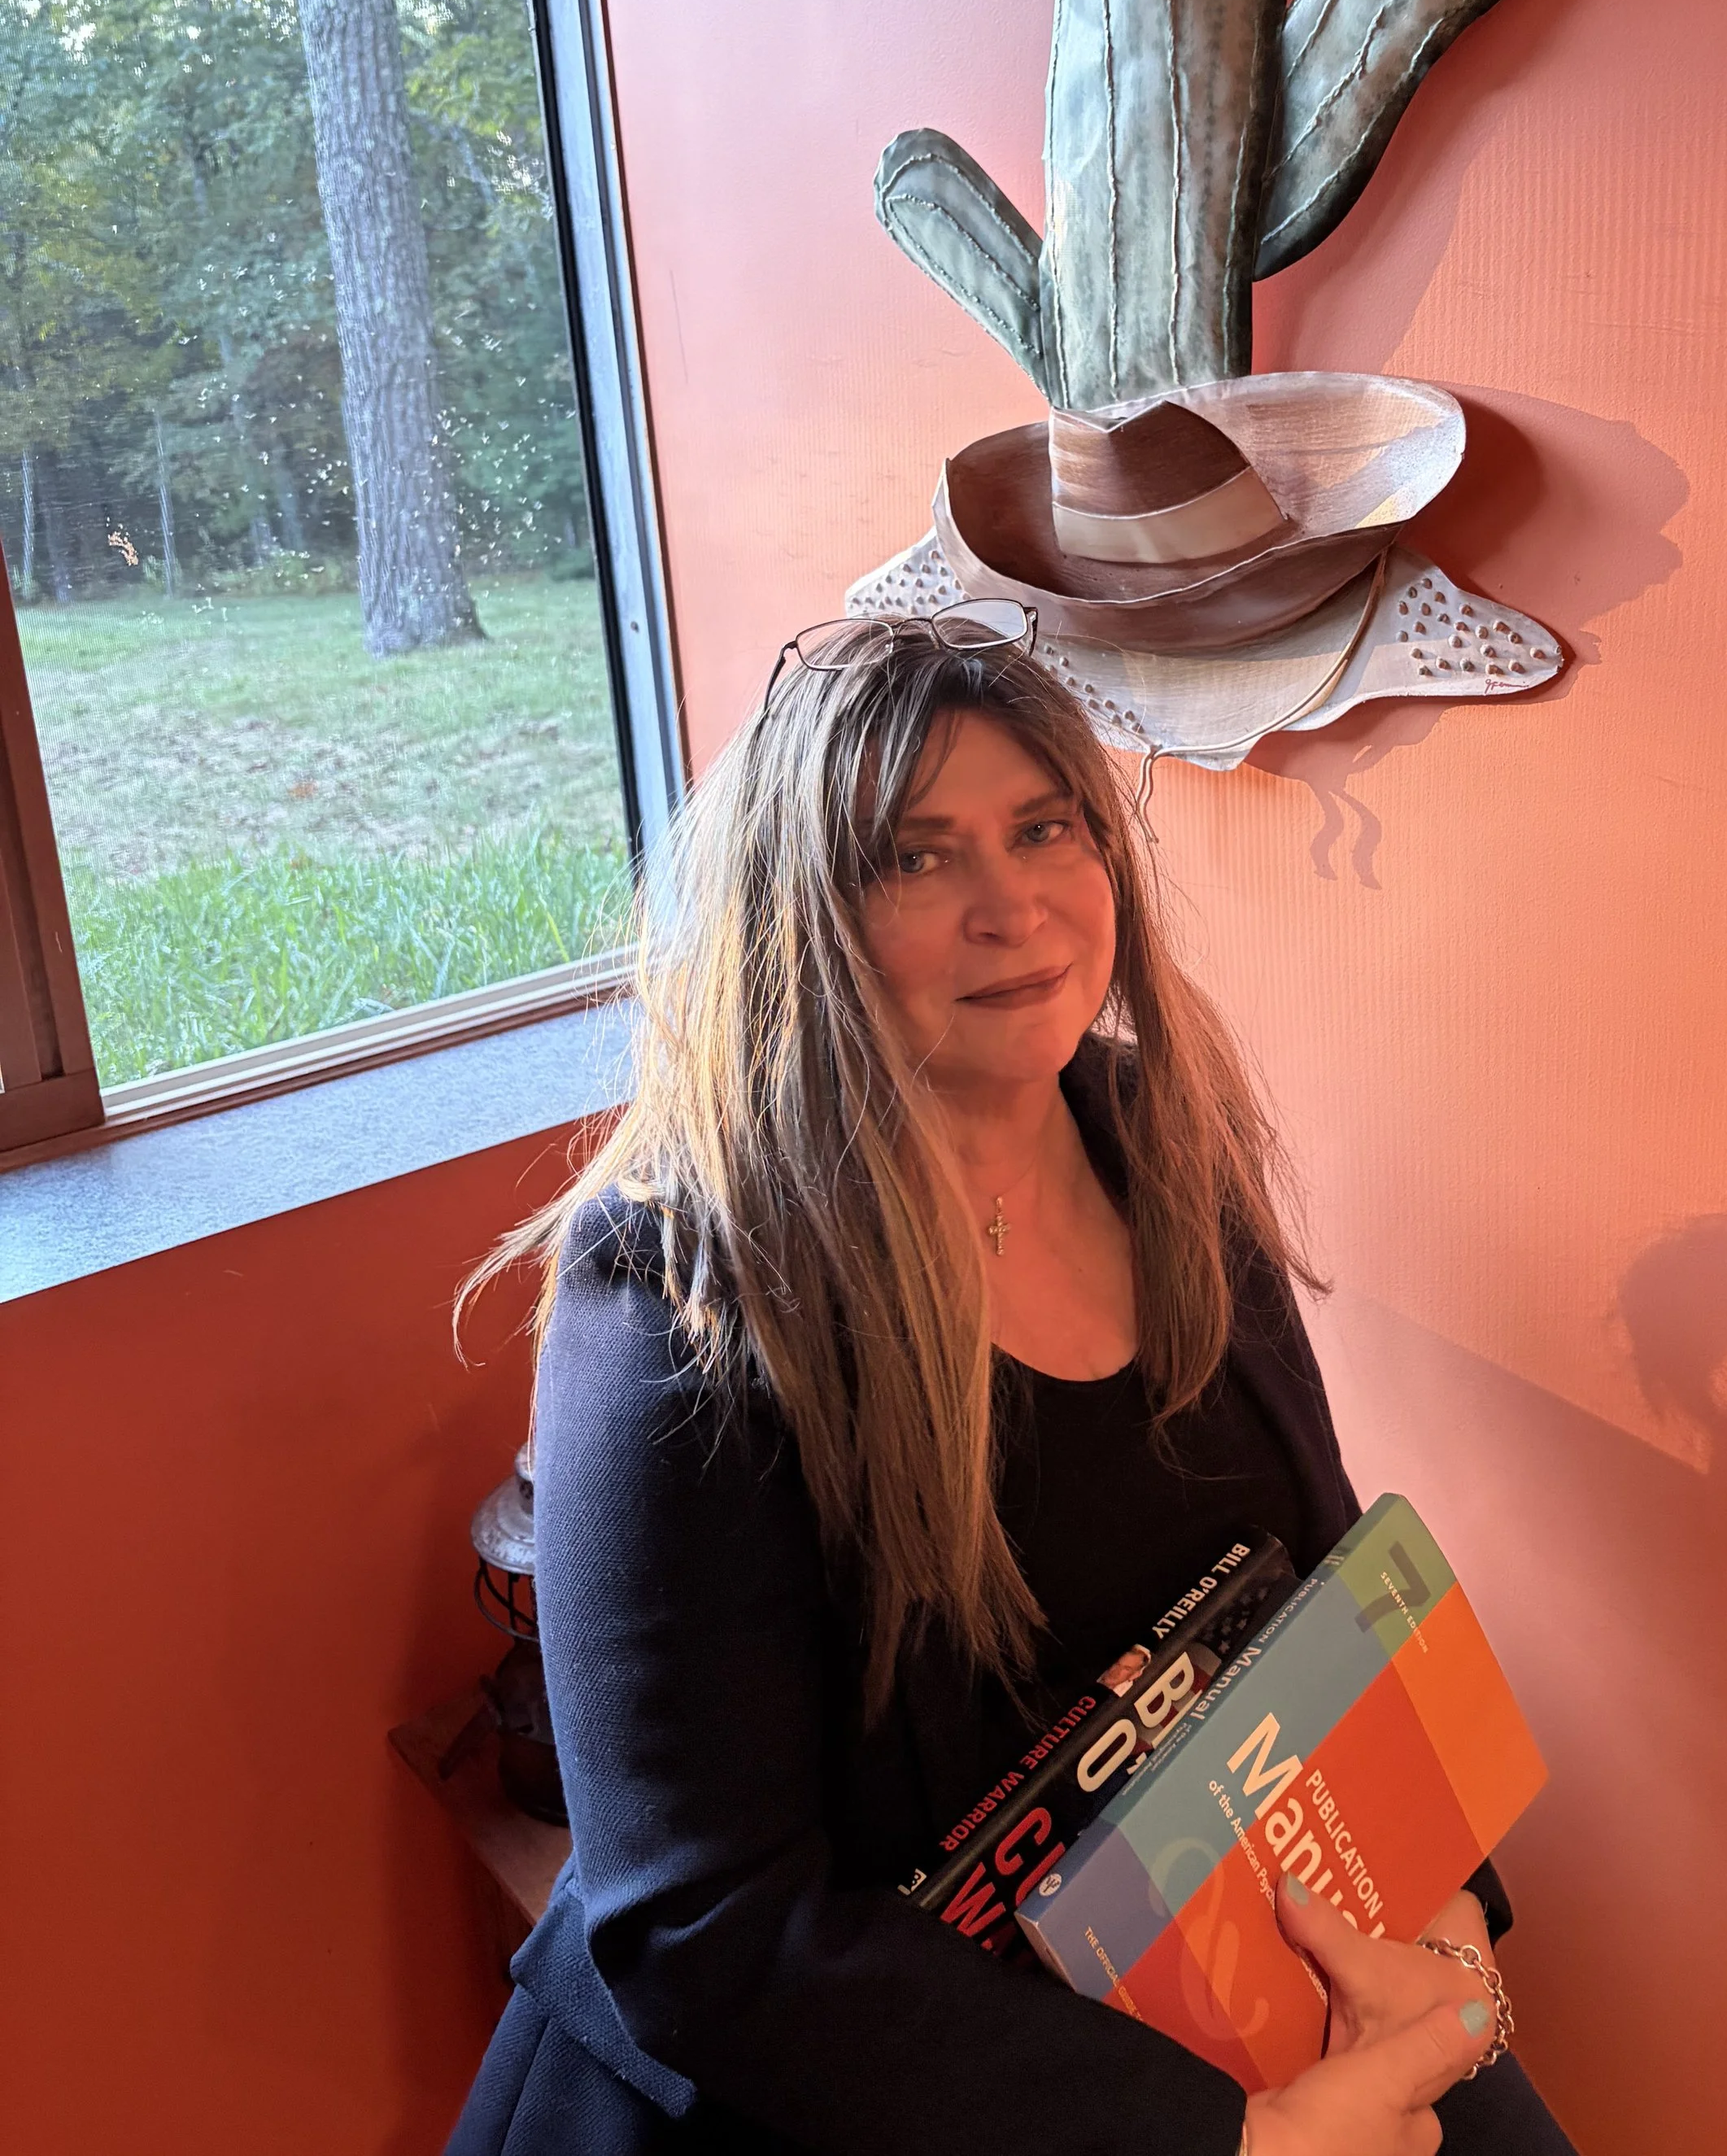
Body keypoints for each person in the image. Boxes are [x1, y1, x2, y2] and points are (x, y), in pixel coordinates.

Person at [448, 609, 1581, 2156]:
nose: (1016, 908)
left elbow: (1326, 1614)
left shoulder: (1155, 1142)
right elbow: (711, 1936)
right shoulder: (680, 1292)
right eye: (918, 858)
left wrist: (1442, 1957)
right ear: (808, 923)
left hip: (1212, 1980)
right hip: (861, 2084)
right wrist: (1234, 2146)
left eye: (1044, 827)